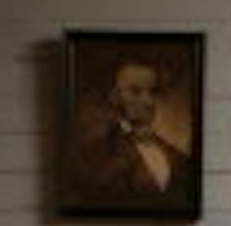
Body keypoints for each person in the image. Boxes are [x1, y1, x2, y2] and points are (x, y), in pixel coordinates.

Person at [69, 57, 193, 208]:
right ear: (115, 96)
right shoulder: (95, 155)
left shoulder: (180, 158)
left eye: (153, 91)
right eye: (135, 91)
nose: (148, 101)